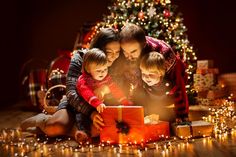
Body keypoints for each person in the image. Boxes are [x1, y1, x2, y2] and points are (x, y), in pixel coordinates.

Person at [20, 28, 121, 142]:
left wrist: (105, 89)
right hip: (74, 103)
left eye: (117, 52)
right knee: (55, 127)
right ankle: (44, 121)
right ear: (98, 48)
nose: (113, 56)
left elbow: (120, 89)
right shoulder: (80, 58)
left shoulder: (117, 63)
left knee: (101, 130)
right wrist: (91, 113)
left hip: (99, 107)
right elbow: (71, 93)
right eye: (109, 52)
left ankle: (74, 130)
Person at [118, 23, 189, 123]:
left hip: (167, 80)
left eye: (133, 51)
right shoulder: (126, 54)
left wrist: (183, 115)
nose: (128, 56)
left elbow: (178, 84)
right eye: (125, 52)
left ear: (143, 45)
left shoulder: (165, 55)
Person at [76, 48, 132, 113]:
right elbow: (86, 92)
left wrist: (124, 101)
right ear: (88, 69)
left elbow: (115, 89)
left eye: (105, 69)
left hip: (99, 106)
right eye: (98, 70)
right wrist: (97, 103)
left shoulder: (106, 78)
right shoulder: (83, 80)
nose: (102, 73)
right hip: (83, 107)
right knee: (81, 120)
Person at [139, 51, 189, 122]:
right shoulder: (144, 85)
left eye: (151, 74)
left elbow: (179, 103)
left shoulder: (169, 86)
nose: (146, 78)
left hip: (167, 116)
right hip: (151, 115)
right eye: (143, 73)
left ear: (160, 73)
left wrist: (183, 116)